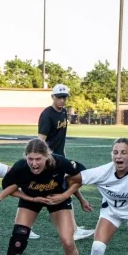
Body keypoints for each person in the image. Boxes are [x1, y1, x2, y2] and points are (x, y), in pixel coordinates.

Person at [0, 139, 91, 255]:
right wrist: (28, 198)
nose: (34, 163)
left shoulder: (59, 162)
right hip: (31, 198)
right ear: (26, 157)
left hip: (57, 198)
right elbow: (10, 188)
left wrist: (66, 196)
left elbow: (79, 179)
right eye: (30, 159)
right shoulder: (20, 167)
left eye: (38, 159)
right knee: (18, 239)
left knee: (68, 242)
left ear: (47, 156)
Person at [38, 84, 95, 242]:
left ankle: (74, 227)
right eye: (59, 97)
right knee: (48, 192)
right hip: (51, 160)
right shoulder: (47, 115)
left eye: (64, 97)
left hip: (60, 157)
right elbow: (40, 140)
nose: (62, 100)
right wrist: (42, 160)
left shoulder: (63, 112)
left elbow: (59, 138)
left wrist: (63, 154)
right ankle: (73, 230)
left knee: (71, 182)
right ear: (53, 97)